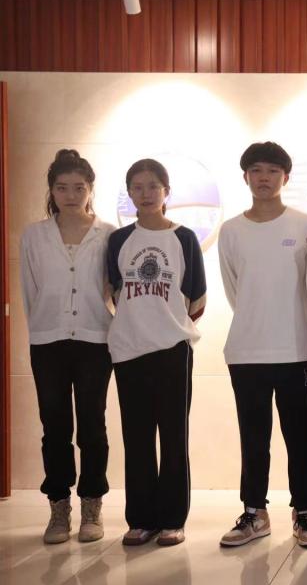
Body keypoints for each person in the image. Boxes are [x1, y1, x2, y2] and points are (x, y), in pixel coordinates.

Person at [217, 142, 307, 550]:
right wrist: (257, 320)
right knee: (253, 438)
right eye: (257, 170)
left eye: (273, 171)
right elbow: (235, 290)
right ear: (246, 176)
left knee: (300, 436)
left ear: (285, 177)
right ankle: (254, 512)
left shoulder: (306, 225)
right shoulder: (231, 230)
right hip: (247, 351)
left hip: (298, 349)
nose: (264, 178)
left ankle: (305, 510)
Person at [107, 158, 207, 547]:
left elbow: (196, 299)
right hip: (128, 350)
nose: (146, 194)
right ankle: (141, 519)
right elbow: (115, 292)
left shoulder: (184, 239)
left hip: (172, 350)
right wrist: (139, 324)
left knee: (173, 436)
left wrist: (165, 325)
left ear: (167, 191)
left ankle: (172, 519)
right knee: (137, 437)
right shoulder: (119, 240)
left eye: (153, 186)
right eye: (137, 187)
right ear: (129, 193)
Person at [20, 150, 115, 544]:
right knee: (55, 427)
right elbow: (30, 291)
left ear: (90, 189)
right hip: (48, 342)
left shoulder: (108, 234)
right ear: (52, 191)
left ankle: (92, 504)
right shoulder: (34, 235)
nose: (71, 195)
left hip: (95, 340)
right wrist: (44, 327)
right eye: (62, 188)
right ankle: (59, 508)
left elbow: (112, 288)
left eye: (79, 187)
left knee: (92, 425)